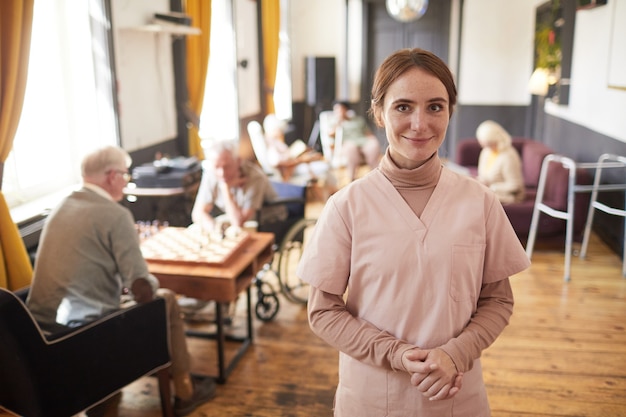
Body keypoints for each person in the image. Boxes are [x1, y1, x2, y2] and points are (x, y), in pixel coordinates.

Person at [296, 48, 531, 416]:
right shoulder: (347, 206)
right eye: (403, 107)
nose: (420, 124)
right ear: (378, 113)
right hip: (372, 397)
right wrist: (396, 353)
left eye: (435, 107)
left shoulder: (480, 202)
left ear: (450, 112)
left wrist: (457, 353)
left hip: (456, 396)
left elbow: (498, 300)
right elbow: (323, 311)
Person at [26, 145, 216, 417]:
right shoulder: (115, 215)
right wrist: (145, 282)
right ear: (111, 176)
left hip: (45, 337)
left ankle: (103, 401)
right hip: (91, 335)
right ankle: (186, 391)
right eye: (126, 176)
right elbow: (142, 291)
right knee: (168, 300)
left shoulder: (60, 207)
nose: (127, 183)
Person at [191, 141, 287, 233]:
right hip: (235, 216)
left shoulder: (255, 177)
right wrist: (213, 228)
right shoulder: (211, 174)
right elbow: (197, 213)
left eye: (227, 167)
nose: (222, 173)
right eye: (217, 167)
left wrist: (225, 188)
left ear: (238, 161)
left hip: (269, 221)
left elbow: (238, 222)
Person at [328, 100, 381, 181]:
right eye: (336, 110)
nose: (338, 111)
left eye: (340, 109)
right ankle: (352, 177)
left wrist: (373, 139)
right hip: (349, 143)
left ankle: (375, 174)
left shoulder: (358, 120)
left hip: (362, 140)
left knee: (373, 144)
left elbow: (368, 133)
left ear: (346, 109)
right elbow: (331, 135)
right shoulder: (335, 122)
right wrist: (338, 123)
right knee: (351, 148)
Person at [475, 120, 525, 204]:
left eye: (488, 144)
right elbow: (483, 176)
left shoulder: (508, 156)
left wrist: (493, 187)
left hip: (508, 196)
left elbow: (515, 185)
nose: (484, 146)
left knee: (477, 199)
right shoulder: (486, 151)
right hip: (488, 191)